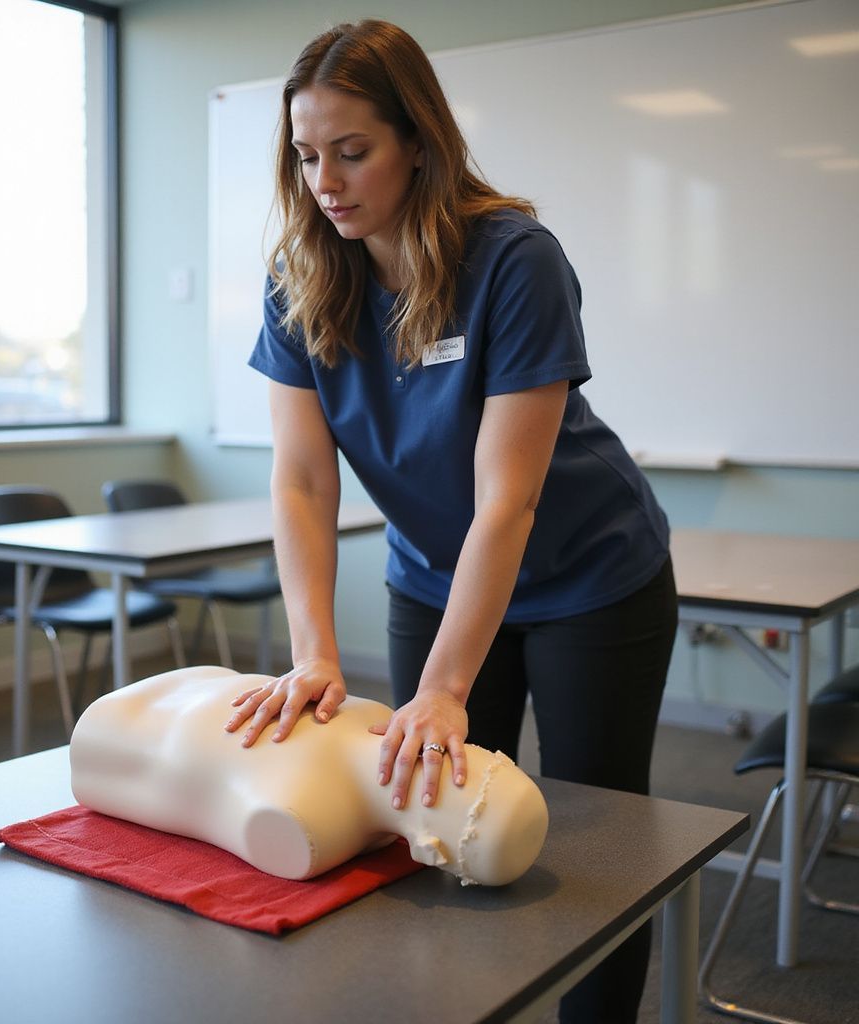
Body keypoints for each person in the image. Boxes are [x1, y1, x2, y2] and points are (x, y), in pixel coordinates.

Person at [228, 19, 677, 1022]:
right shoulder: (299, 277)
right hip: (431, 573)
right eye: (307, 156)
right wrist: (312, 653)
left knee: (591, 839)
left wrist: (439, 687)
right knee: (424, 820)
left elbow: (505, 499)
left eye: (353, 151)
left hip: (587, 579)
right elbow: (301, 480)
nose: (326, 181)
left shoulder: (512, 260)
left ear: (417, 142)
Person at [71, 665, 549, 886]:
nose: (448, 760)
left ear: (427, 848)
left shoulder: (309, 820)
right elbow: (301, 487)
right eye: (471, 758)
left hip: (122, 737)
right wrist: (314, 656)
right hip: (118, 734)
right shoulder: (313, 822)